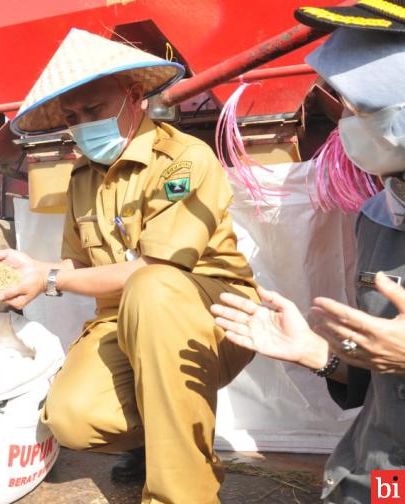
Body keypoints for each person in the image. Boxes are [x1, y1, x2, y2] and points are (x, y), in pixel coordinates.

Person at [0, 29, 259, 503]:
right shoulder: (83, 177)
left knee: (153, 289)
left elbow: (155, 269)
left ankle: (180, 492)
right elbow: (77, 262)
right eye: (72, 117)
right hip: (125, 322)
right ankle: (166, 440)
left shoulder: (183, 159)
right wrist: (35, 268)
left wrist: (49, 279)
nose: (83, 125)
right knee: (72, 417)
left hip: (216, 320)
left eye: (94, 110)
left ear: (133, 98)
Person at [212, 4, 405, 502]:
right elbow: (379, 378)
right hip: (380, 478)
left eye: (361, 108)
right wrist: (316, 354)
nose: (345, 123)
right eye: (344, 106)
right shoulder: (379, 218)